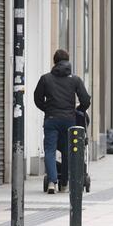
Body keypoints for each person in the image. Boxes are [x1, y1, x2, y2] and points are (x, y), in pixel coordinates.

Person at [33, 49, 91, 194]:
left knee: (50, 150)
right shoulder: (75, 80)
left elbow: (37, 98)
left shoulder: (45, 78)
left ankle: (52, 181)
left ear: (55, 61)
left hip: (51, 120)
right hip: (69, 120)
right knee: (67, 151)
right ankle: (64, 183)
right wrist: (78, 109)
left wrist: (47, 109)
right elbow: (86, 100)